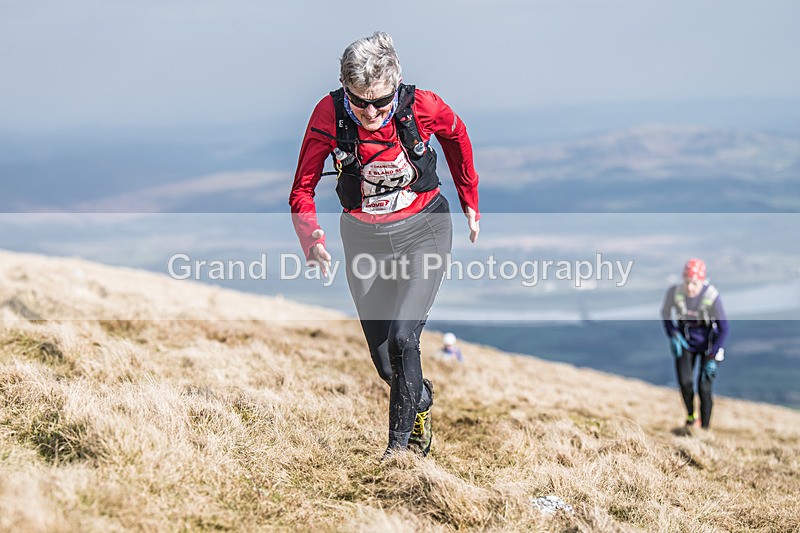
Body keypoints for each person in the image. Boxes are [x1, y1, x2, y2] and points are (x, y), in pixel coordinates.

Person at [289, 32, 480, 458]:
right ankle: (420, 400)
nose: (371, 112)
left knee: (402, 339)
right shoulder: (328, 114)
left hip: (424, 229)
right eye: (360, 102)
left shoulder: (423, 105)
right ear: (345, 90)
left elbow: (458, 138)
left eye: (380, 101)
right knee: (386, 364)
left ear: (396, 86)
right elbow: (301, 187)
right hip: (363, 240)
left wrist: (470, 198)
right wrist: (311, 238)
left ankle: (400, 456)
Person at [661, 258, 729, 429]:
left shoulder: (712, 297)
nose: (689, 287)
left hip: (709, 346)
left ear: (701, 280)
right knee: (685, 383)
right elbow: (665, 312)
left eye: (694, 283)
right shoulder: (674, 292)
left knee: (704, 388)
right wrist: (673, 334)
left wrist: (713, 356)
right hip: (685, 342)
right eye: (686, 282)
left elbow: (724, 328)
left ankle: (705, 429)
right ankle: (691, 416)